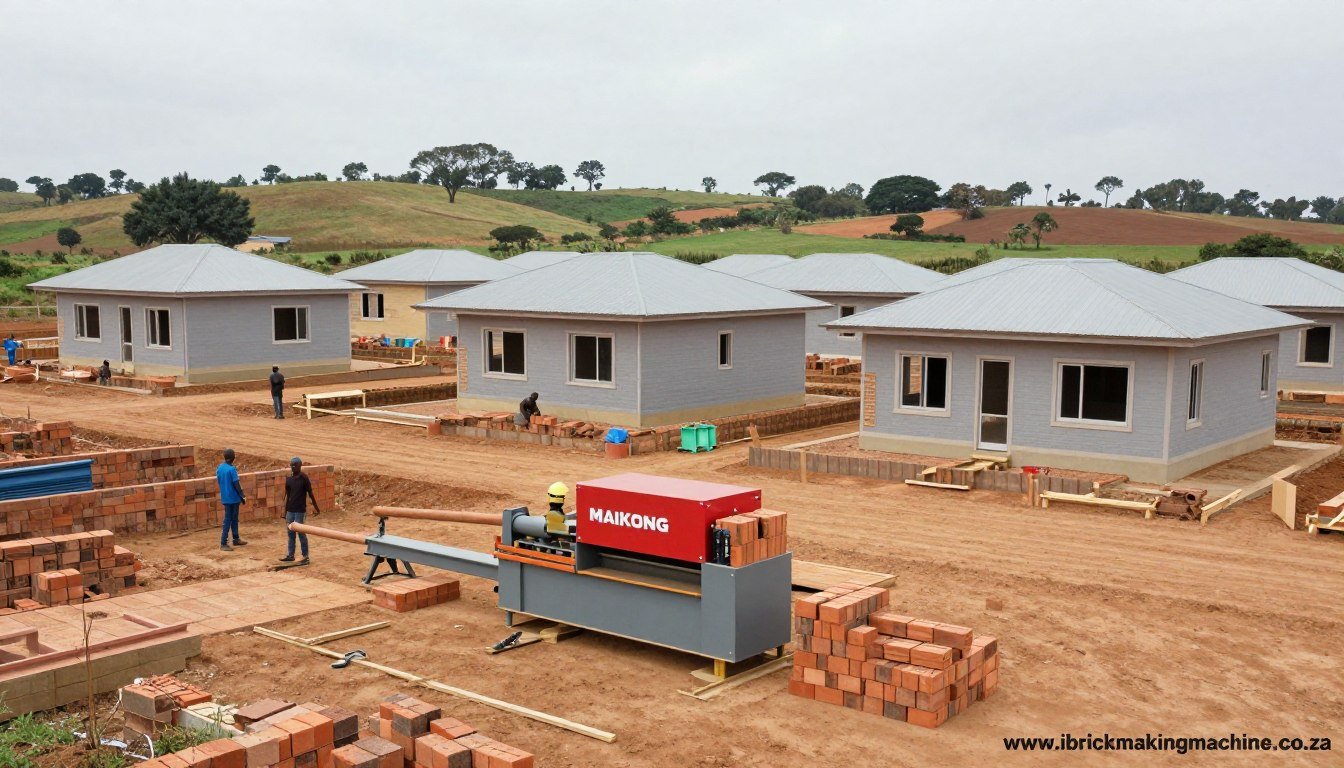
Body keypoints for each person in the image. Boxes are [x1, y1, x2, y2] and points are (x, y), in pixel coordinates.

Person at [280, 456, 320, 565]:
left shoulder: (304, 478)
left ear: (300, 466)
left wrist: (316, 508)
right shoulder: (289, 480)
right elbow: (288, 496)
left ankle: (305, 556)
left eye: (295, 465)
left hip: (300, 511)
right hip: (290, 511)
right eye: (291, 465)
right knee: (290, 534)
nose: (293, 467)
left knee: (301, 533)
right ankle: (290, 555)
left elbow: (310, 493)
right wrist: (285, 512)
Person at [216, 448, 247, 551]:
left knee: (233, 519)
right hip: (233, 498)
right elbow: (236, 484)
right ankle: (223, 543)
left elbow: (220, 481)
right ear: (233, 457)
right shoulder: (232, 469)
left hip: (225, 498)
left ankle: (236, 539)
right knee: (229, 519)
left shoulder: (220, 468)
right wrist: (242, 496)